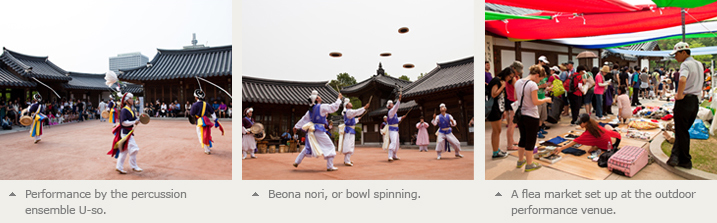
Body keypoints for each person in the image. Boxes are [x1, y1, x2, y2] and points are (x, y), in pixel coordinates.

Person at [668, 42, 704, 169]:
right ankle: (675, 157)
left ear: (684, 52)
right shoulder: (699, 64)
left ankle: (685, 160)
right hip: (695, 101)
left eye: (676, 54)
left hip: (685, 100)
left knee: (681, 131)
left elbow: (683, 80)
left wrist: (679, 95)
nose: (675, 57)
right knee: (682, 131)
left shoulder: (685, 64)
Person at [292, 90, 343, 171]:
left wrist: (296, 126)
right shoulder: (321, 107)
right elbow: (333, 107)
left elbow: (304, 119)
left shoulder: (310, 110)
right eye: (318, 96)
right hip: (319, 131)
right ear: (317, 99)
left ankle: (297, 161)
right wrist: (339, 99)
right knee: (330, 146)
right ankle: (330, 166)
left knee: (309, 147)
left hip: (312, 131)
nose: (320, 97)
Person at [514, 64, 551, 172]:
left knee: (522, 138)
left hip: (520, 115)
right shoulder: (532, 85)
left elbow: (516, 97)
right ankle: (529, 164)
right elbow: (535, 102)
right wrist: (546, 99)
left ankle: (520, 161)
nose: (539, 81)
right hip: (531, 115)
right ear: (537, 75)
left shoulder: (517, 82)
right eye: (540, 78)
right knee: (530, 140)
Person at [552, 113, 621, 155]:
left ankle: (597, 146)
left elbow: (575, 141)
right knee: (607, 126)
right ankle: (597, 146)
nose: (579, 125)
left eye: (580, 123)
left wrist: (561, 148)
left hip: (611, 145)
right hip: (616, 136)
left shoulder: (588, 133)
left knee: (590, 151)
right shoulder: (593, 124)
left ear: (585, 123)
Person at [108, 93, 143, 174]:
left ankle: (119, 167)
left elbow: (134, 119)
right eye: (130, 98)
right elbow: (123, 123)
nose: (132, 100)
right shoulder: (124, 110)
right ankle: (134, 166)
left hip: (128, 132)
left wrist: (139, 119)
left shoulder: (131, 110)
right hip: (125, 132)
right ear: (126, 101)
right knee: (134, 149)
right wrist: (134, 121)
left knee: (124, 151)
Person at [487, 68, 512, 159]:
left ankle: (496, 150)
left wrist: (503, 110)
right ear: (506, 74)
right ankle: (495, 152)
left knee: (498, 131)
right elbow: (494, 94)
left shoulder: (500, 81)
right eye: (510, 76)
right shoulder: (497, 80)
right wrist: (502, 87)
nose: (510, 79)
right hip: (493, 109)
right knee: (496, 131)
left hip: (498, 108)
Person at [339, 98, 369, 166]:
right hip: (349, 130)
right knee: (348, 144)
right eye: (349, 103)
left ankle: (347, 159)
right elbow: (356, 112)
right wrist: (364, 107)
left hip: (351, 130)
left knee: (350, 144)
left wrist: (356, 119)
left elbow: (352, 120)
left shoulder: (349, 112)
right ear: (347, 105)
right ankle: (347, 160)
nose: (351, 103)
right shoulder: (349, 111)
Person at [190, 89, 221, 155]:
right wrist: (215, 120)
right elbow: (212, 112)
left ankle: (207, 149)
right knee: (207, 133)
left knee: (201, 135)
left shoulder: (194, 105)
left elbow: (191, 114)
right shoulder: (206, 104)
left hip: (199, 122)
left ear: (196, 97)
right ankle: (208, 146)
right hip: (206, 121)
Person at [504, 61, 522, 150]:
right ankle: (509, 145)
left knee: (513, 124)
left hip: (512, 101)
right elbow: (518, 88)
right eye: (518, 70)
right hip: (512, 102)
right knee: (512, 124)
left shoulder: (514, 77)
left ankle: (512, 141)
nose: (519, 72)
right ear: (513, 68)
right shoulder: (513, 78)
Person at [384, 94, 407, 162]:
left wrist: (401, 118)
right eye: (391, 104)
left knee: (397, 142)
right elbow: (396, 107)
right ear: (389, 106)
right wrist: (399, 100)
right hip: (392, 129)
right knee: (393, 141)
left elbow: (396, 119)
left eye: (392, 103)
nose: (392, 104)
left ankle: (394, 155)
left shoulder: (394, 113)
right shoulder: (391, 112)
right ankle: (390, 155)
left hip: (396, 129)